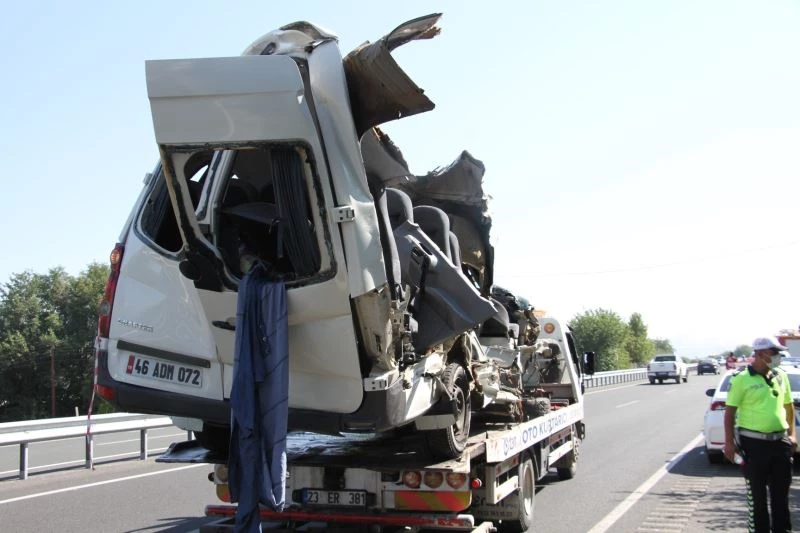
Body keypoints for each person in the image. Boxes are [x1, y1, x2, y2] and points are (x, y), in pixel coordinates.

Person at [724, 337, 797, 533]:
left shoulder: (781, 376)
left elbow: (788, 407)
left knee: (781, 499)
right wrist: (729, 443)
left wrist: (793, 435)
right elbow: (729, 412)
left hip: (780, 444)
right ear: (760, 353)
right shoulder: (741, 379)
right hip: (753, 446)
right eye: (774, 352)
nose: (778, 357)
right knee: (758, 500)